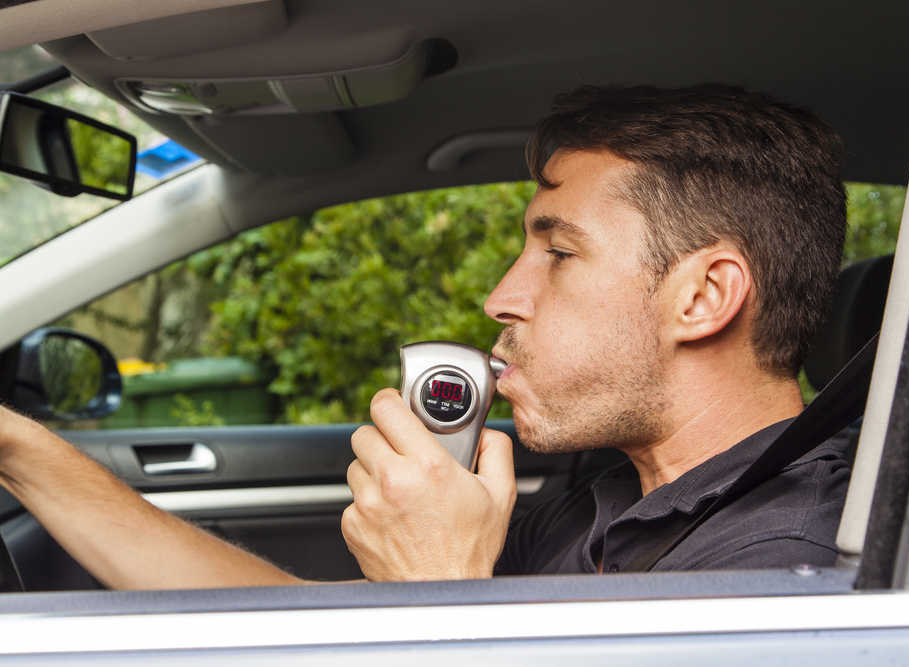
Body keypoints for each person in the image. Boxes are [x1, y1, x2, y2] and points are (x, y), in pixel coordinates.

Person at [0, 84, 848, 588]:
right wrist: (20, 452)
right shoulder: (616, 497)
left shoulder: (777, 568)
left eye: (557, 252)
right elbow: (301, 624)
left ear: (703, 296)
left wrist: (441, 590)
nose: (499, 297)